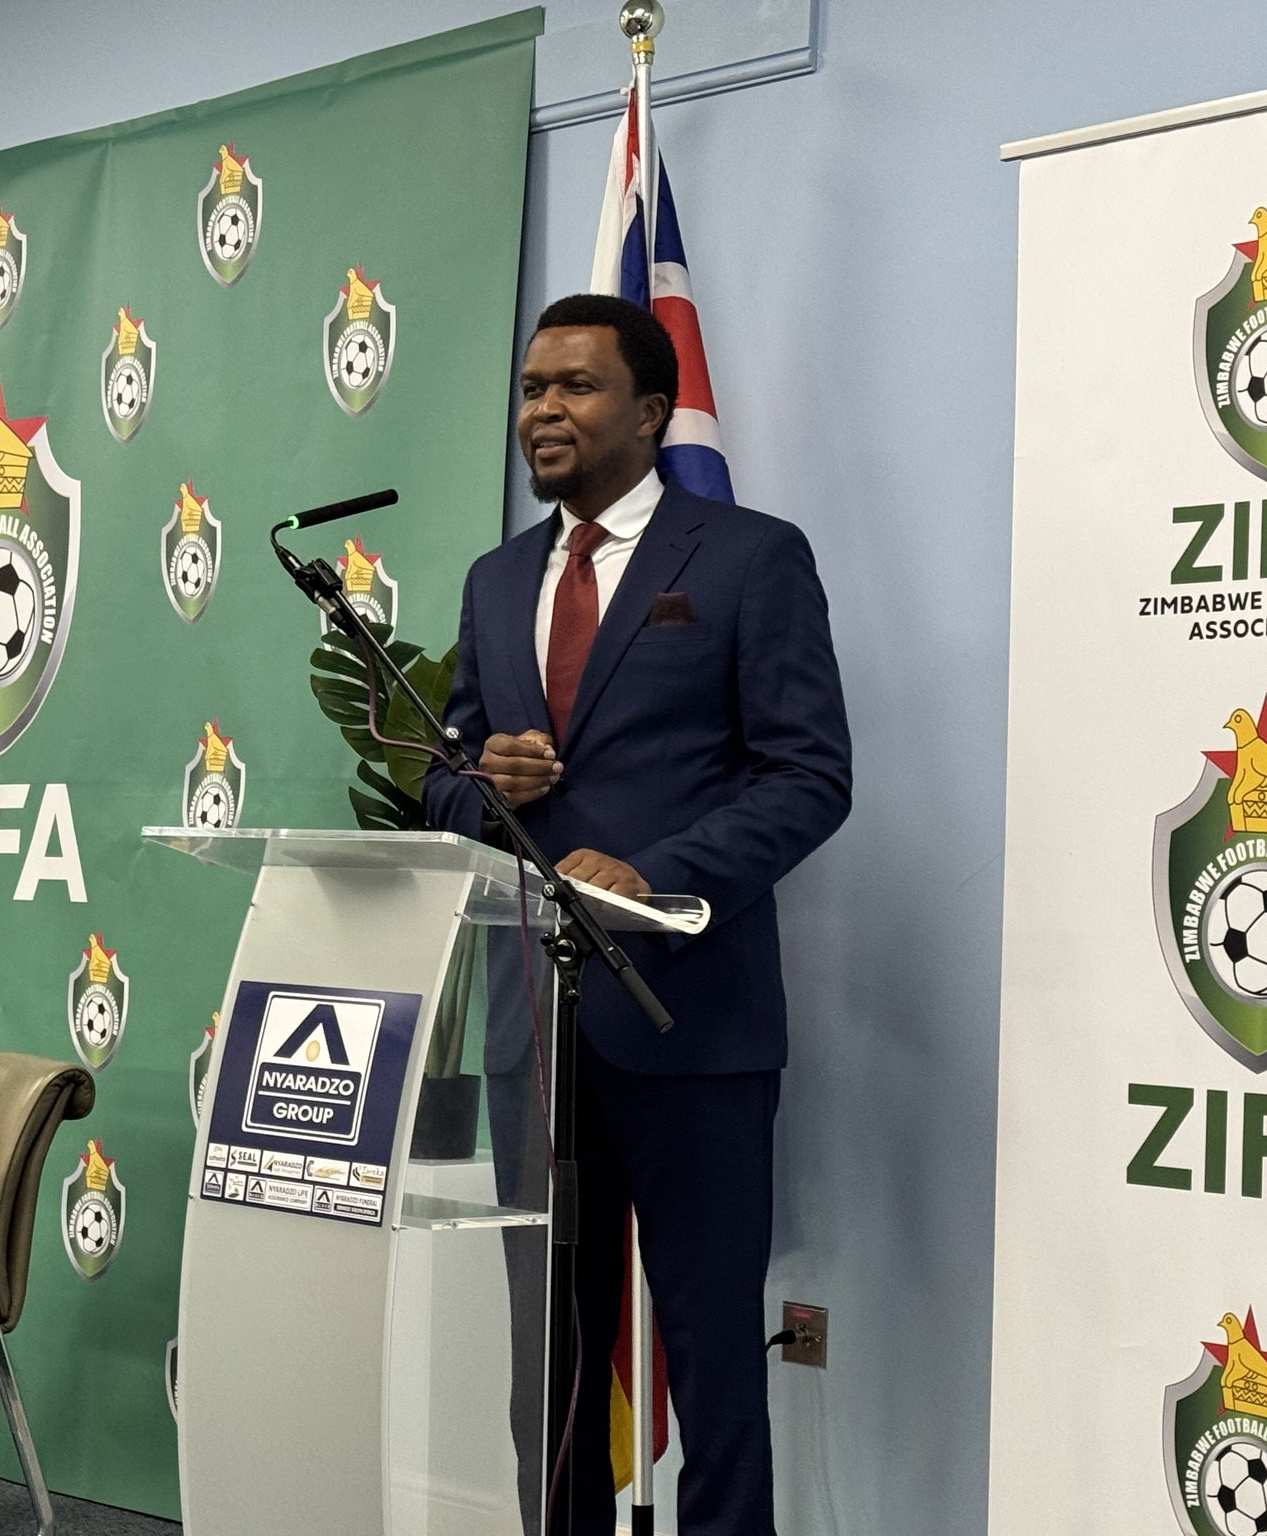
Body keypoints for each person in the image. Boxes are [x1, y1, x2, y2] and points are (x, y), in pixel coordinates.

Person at [422, 294, 852, 1535]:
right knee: (550, 1360)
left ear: (652, 410)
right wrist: (479, 781)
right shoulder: (497, 578)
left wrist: (656, 875)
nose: (541, 410)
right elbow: (442, 777)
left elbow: (808, 777)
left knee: (711, 1355)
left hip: (688, 1024)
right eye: (530, 389)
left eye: (574, 387)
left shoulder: (748, 558)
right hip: (534, 1027)